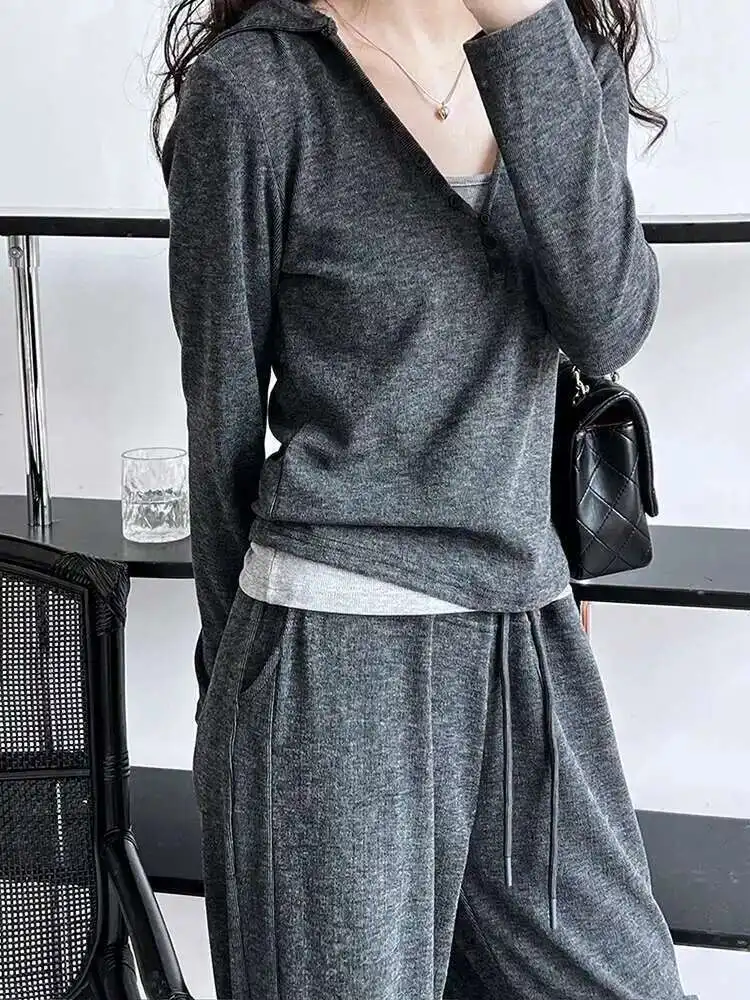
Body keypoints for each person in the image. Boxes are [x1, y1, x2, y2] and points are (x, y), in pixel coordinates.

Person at [152, 0, 698, 996]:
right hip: (331, 648)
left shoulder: (567, 60)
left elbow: (607, 322)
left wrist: (523, 26)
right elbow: (217, 424)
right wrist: (236, 700)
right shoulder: (259, 88)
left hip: (526, 635)